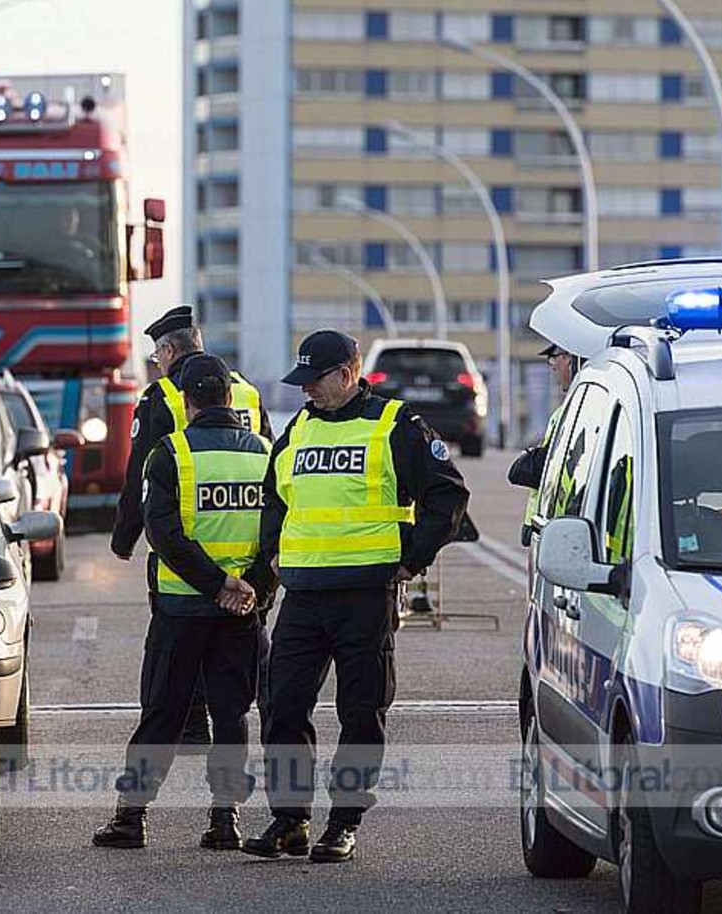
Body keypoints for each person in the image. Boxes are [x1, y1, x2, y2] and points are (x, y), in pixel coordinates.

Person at [243, 330, 470, 864]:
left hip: (364, 595)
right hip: (302, 594)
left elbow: (448, 495)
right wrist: (273, 550)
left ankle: (343, 823)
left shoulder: (396, 425)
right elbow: (275, 495)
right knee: (282, 708)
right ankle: (290, 820)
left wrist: (411, 560)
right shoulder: (299, 428)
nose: (306, 392)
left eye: (315, 381)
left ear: (346, 375)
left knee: (360, 712)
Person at [93, 354, 276, 851]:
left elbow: (166, 536)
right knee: (232, 713)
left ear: (189, 401)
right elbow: (277, 537)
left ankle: (130, 819)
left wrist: (215, 584)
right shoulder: (265, 454)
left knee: (162, 713)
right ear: (230, 398)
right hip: (242, 612)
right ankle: (226, 820)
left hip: (180, 610)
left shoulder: (171, 454)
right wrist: (249, 587)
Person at [111, 305, 274, 748]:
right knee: (241, 646)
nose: (157, 364)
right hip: (245, 546)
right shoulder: (248, 390)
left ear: (168, 351)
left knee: (178, 645)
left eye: (157, 355)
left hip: (184, 543)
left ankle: (191, 722)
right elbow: (271, 465)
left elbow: (139, 472)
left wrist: (125, 536)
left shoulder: (162, 395)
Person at [508, 343, 580, 546]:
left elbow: (552, 465)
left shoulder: (578, 409)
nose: (552, 365)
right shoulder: (569, 408)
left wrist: (528, 464)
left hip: (564, 527)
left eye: (554, 357)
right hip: (552, 524)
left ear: (569, 358)